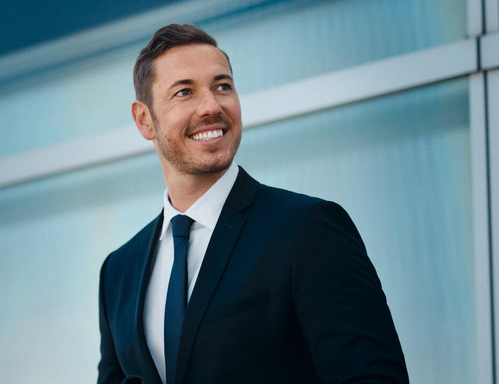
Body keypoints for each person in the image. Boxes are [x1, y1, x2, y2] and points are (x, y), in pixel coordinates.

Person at [98, 24, 408, 384]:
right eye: (185, 92)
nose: (212, 106)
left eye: (223, 86)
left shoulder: (308, 230)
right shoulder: (118, 271)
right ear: (144, 119)